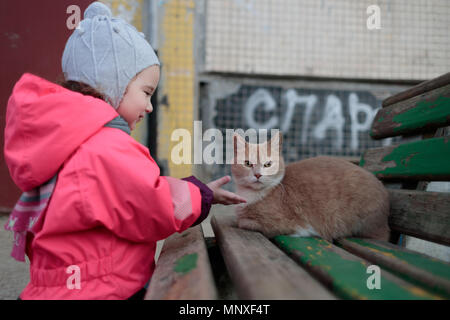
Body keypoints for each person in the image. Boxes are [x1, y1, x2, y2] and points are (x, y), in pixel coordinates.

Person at [3, 2, 246, 300]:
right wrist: (200, 196)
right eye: (145, 92)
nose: (149, 106)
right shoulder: (104, 146)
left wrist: (190, 189)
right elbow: (153, 205)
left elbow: (126, 193)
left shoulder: (70, 141)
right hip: (101, 291)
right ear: (112, 83)